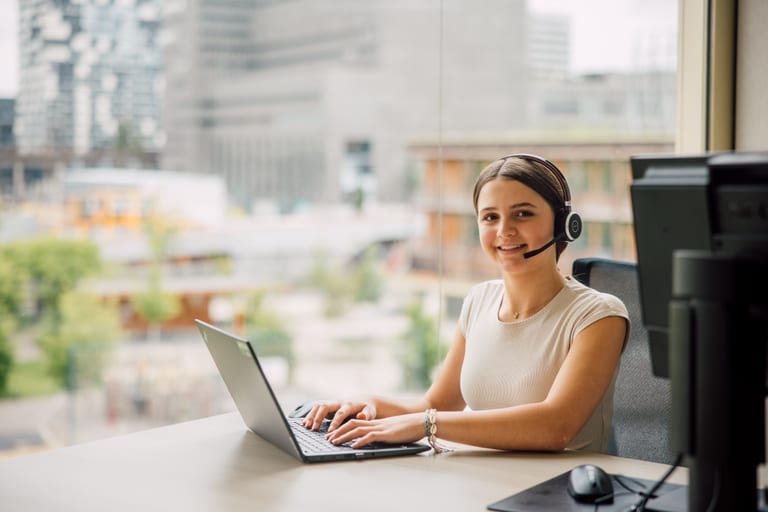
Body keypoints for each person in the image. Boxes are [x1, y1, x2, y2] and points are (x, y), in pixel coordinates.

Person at [303, 154, 629, 453]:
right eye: (490, 217)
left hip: (558, 494)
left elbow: (555, 427)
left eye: (523, 214)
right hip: (479, 483)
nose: (504, 230)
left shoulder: (599, 315)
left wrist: (427, 425)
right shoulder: (479, 300)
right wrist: (368, 402)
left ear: (563, 225)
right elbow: (438, 403)